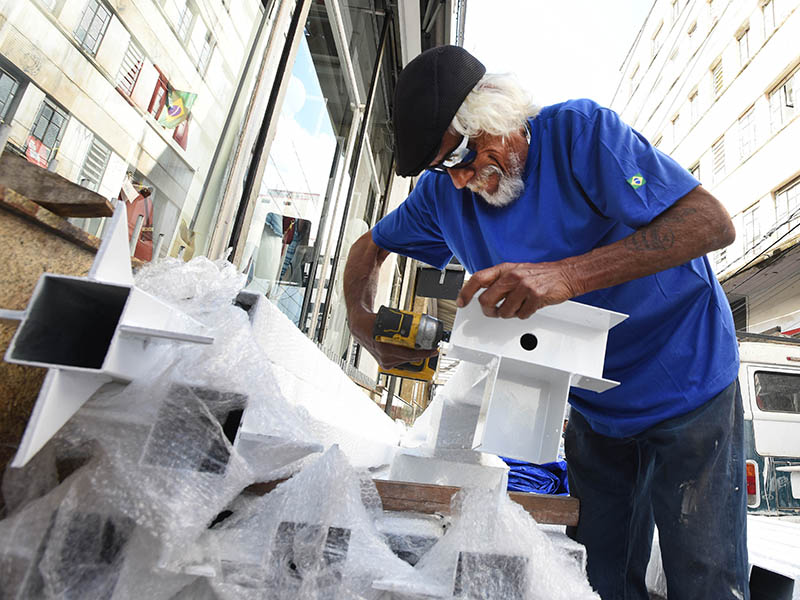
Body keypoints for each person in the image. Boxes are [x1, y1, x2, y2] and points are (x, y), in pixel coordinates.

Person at [342, 45, 749, 599]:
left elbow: (711, 223)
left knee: (704, 578)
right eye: (444, 167)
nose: (460, 179)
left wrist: (567, 276)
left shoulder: (582, 136)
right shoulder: (443, 196)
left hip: (687, 380)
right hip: (596, 407)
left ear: (497, 115)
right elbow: (368, 249)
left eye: (462, 155)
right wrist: (362, 324)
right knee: (595, 576)